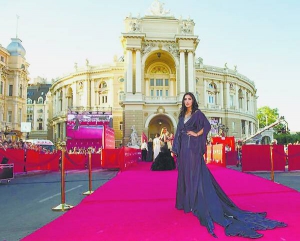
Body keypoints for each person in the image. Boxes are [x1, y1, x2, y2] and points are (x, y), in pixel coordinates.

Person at [172, 92, 286, 238]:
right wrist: (176, 149)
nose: (187, 101)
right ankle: (188, 202)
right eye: (185, 99)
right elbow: (178, 133)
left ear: (193, 101)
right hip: (184, 150)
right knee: (186, 175)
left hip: (193, 149)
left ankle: (198, 202)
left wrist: (196, 134)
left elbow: (206, 127)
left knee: (196, 175)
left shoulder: (198, 113)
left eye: (189, 99)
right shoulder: (181, 117)